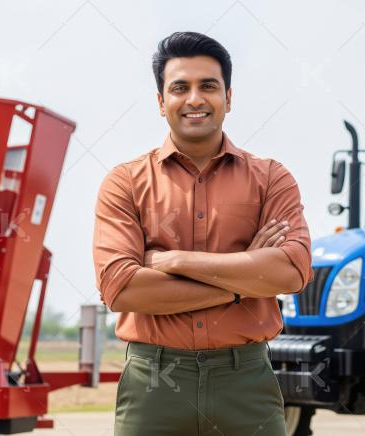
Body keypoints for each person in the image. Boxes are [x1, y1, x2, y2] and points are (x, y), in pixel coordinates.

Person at [92, 31, 313, 436]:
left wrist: (176, 261)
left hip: (246, 382)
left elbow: (292, 272)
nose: (195, 99)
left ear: (228, 98)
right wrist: (244, 279)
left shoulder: (271, 179)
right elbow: (121, 289)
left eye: (208, 86)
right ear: (162, 102)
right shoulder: (125, 183)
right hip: (153, 384)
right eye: (180, 88)